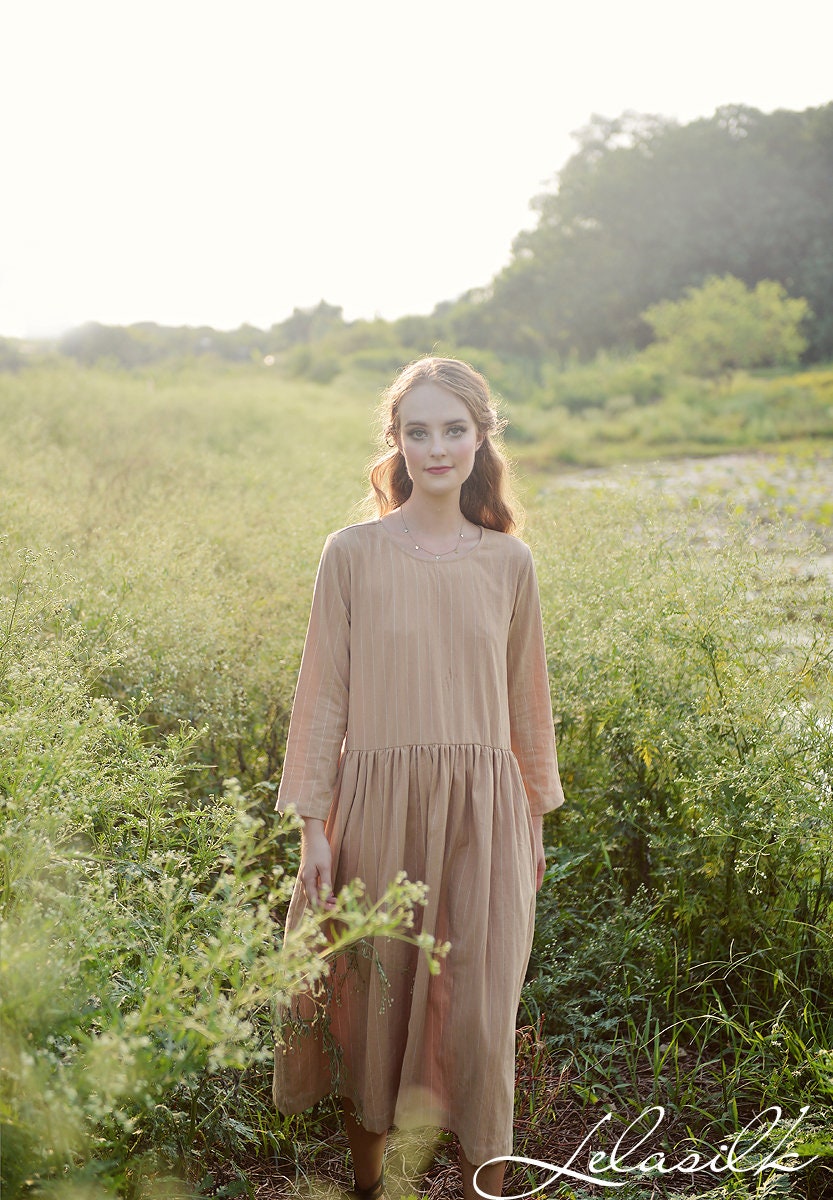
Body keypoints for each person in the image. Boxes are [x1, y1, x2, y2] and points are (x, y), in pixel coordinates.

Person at [273, 356, 564, 1200]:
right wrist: (312, 834)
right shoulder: (352, 554)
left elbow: (526, 706)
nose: (437, 447)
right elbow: (321, 697)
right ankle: (373, 1192)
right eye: (418, 430)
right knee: (373, 1010)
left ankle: (484, 1185)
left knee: (477, 1022)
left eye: (454, 429)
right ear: (396, 443)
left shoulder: (509, 563)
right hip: (375, 812)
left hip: (486, 815)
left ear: (481, 438)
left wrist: (534, 824)